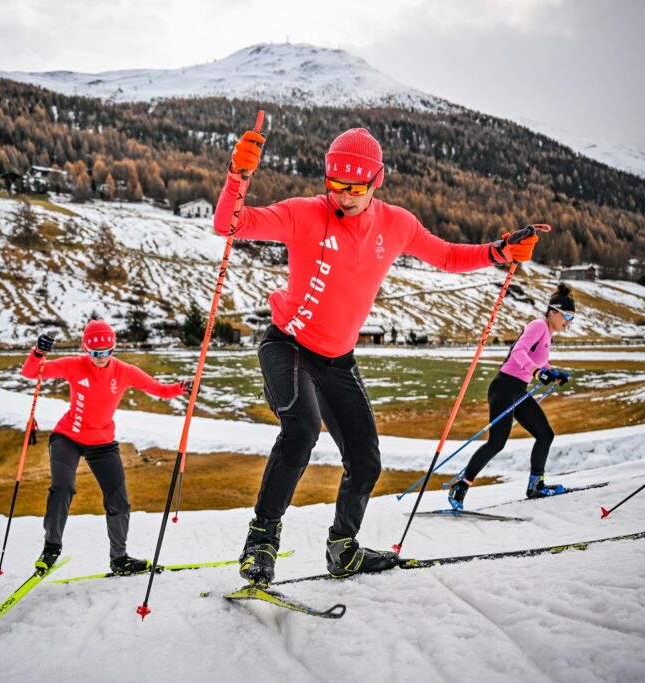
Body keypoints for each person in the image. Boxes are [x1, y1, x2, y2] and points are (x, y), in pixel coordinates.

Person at [218, 126, 542, 584]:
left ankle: (343, 549)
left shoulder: (397, 223)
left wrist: (498, 251)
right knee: (302, 429)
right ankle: (261, 543)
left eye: (355, 188)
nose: (344, 197)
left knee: (367, 461)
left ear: (377, 181)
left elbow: (447, 256)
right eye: (336, 186)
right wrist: (238, 175)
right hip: (287, 346)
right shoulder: (305, 213)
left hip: (339, 361)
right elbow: (229, 224)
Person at [22, 320, 194, 576]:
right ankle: (51, 548)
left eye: (106, 352)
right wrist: (38, 352)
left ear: (113, 349)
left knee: (119, 502)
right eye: (95, 353)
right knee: (63, 488)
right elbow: (32, 373)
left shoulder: (124, 371)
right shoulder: (73, 365)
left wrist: (182, 388)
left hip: (103, 443)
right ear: (85, 349)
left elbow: (158, 389)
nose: (100, 358)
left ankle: (119, 558)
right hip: (67, 437)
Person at [448, 284, 576, 508]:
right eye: (566, 315)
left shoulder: (547, 333)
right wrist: (537, 372)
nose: (569, 322)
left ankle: (536, 486)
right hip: (504, 388)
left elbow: (538, 359)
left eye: (572, 317)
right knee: (497, 443)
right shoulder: (538, 325)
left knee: (545, 434)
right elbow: (518, 351)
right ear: (553, 312)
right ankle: (460, 485)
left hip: (519, 390)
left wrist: (552, 372)